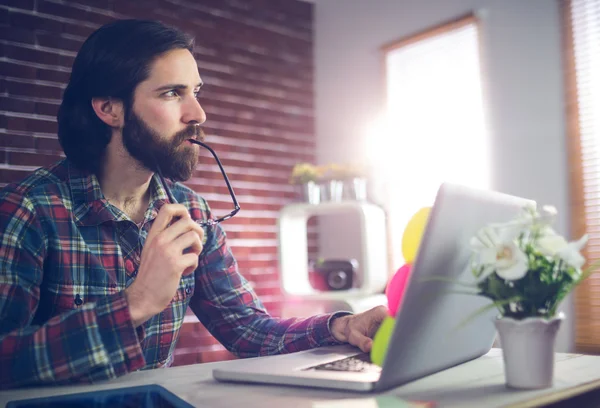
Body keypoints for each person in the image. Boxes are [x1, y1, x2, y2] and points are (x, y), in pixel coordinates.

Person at [0, 19, 387, 390]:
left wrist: (338, 327)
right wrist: (135, 303)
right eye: (172, 93)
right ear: (109, 109)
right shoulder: (29, 211)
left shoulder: (194, 213)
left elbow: (246, 329)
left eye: (195, 92)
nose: (197, 114)